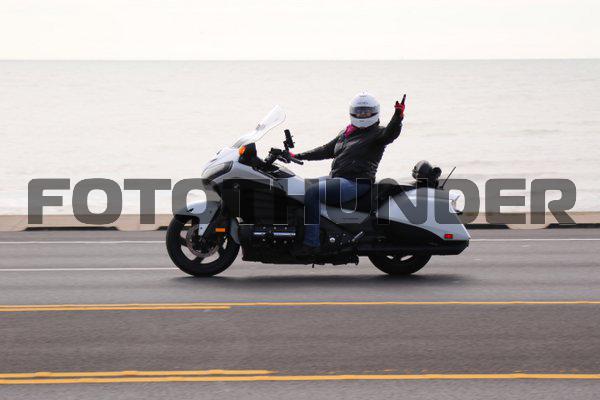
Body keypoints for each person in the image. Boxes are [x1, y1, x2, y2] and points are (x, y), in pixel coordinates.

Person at [293, 92, 405, 253]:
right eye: (359, 111)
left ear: (374, 112)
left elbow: (390, 134)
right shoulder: (346, 133)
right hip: (338, 178)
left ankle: (311, 243)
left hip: (356, 182)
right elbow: (326, 150)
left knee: (313, 193)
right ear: (353, 112)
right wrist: (297, 156)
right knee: (298, 187)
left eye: (366, 111)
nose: (362, 114)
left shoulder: (378, 134)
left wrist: (398, 117)